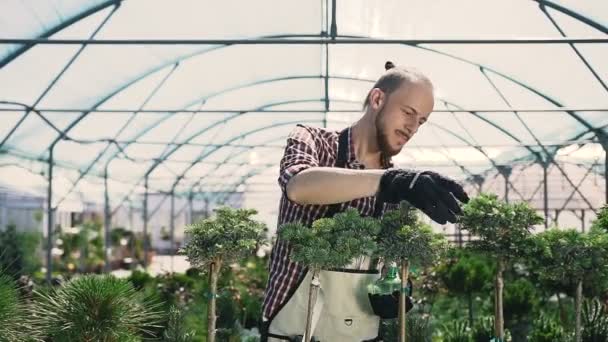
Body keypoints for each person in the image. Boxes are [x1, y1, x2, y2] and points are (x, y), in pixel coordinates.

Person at [261, 61, 469, 341]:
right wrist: (386, 180)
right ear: (377, 98)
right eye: (408, 112)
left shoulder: (400, 187)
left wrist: (399, 287)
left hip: (357, 332)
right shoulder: (314, 141)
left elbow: (389, 262)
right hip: (293, 330)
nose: (412, 128)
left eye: (421, 121)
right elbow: (299, 186)